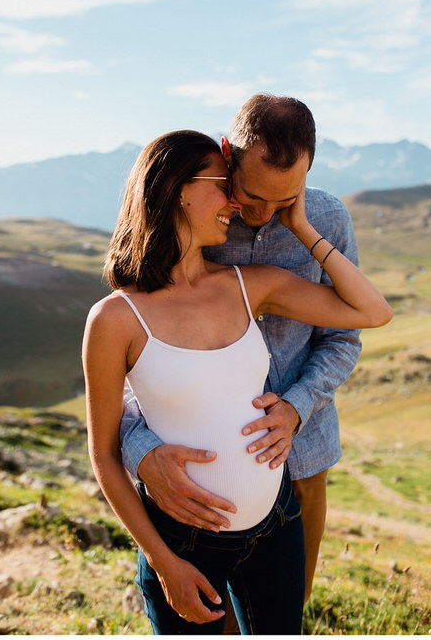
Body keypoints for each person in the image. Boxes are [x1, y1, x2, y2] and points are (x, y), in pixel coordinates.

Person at [84, 130, 392, 634]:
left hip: (277, 523)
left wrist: (302, 226)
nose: (233, 202)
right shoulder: (114, 318)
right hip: (186, 542)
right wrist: (162, 562)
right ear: (180, 189)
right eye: (223, 186)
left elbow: (371, 312)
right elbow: (103, 453)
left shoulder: (249, 285)